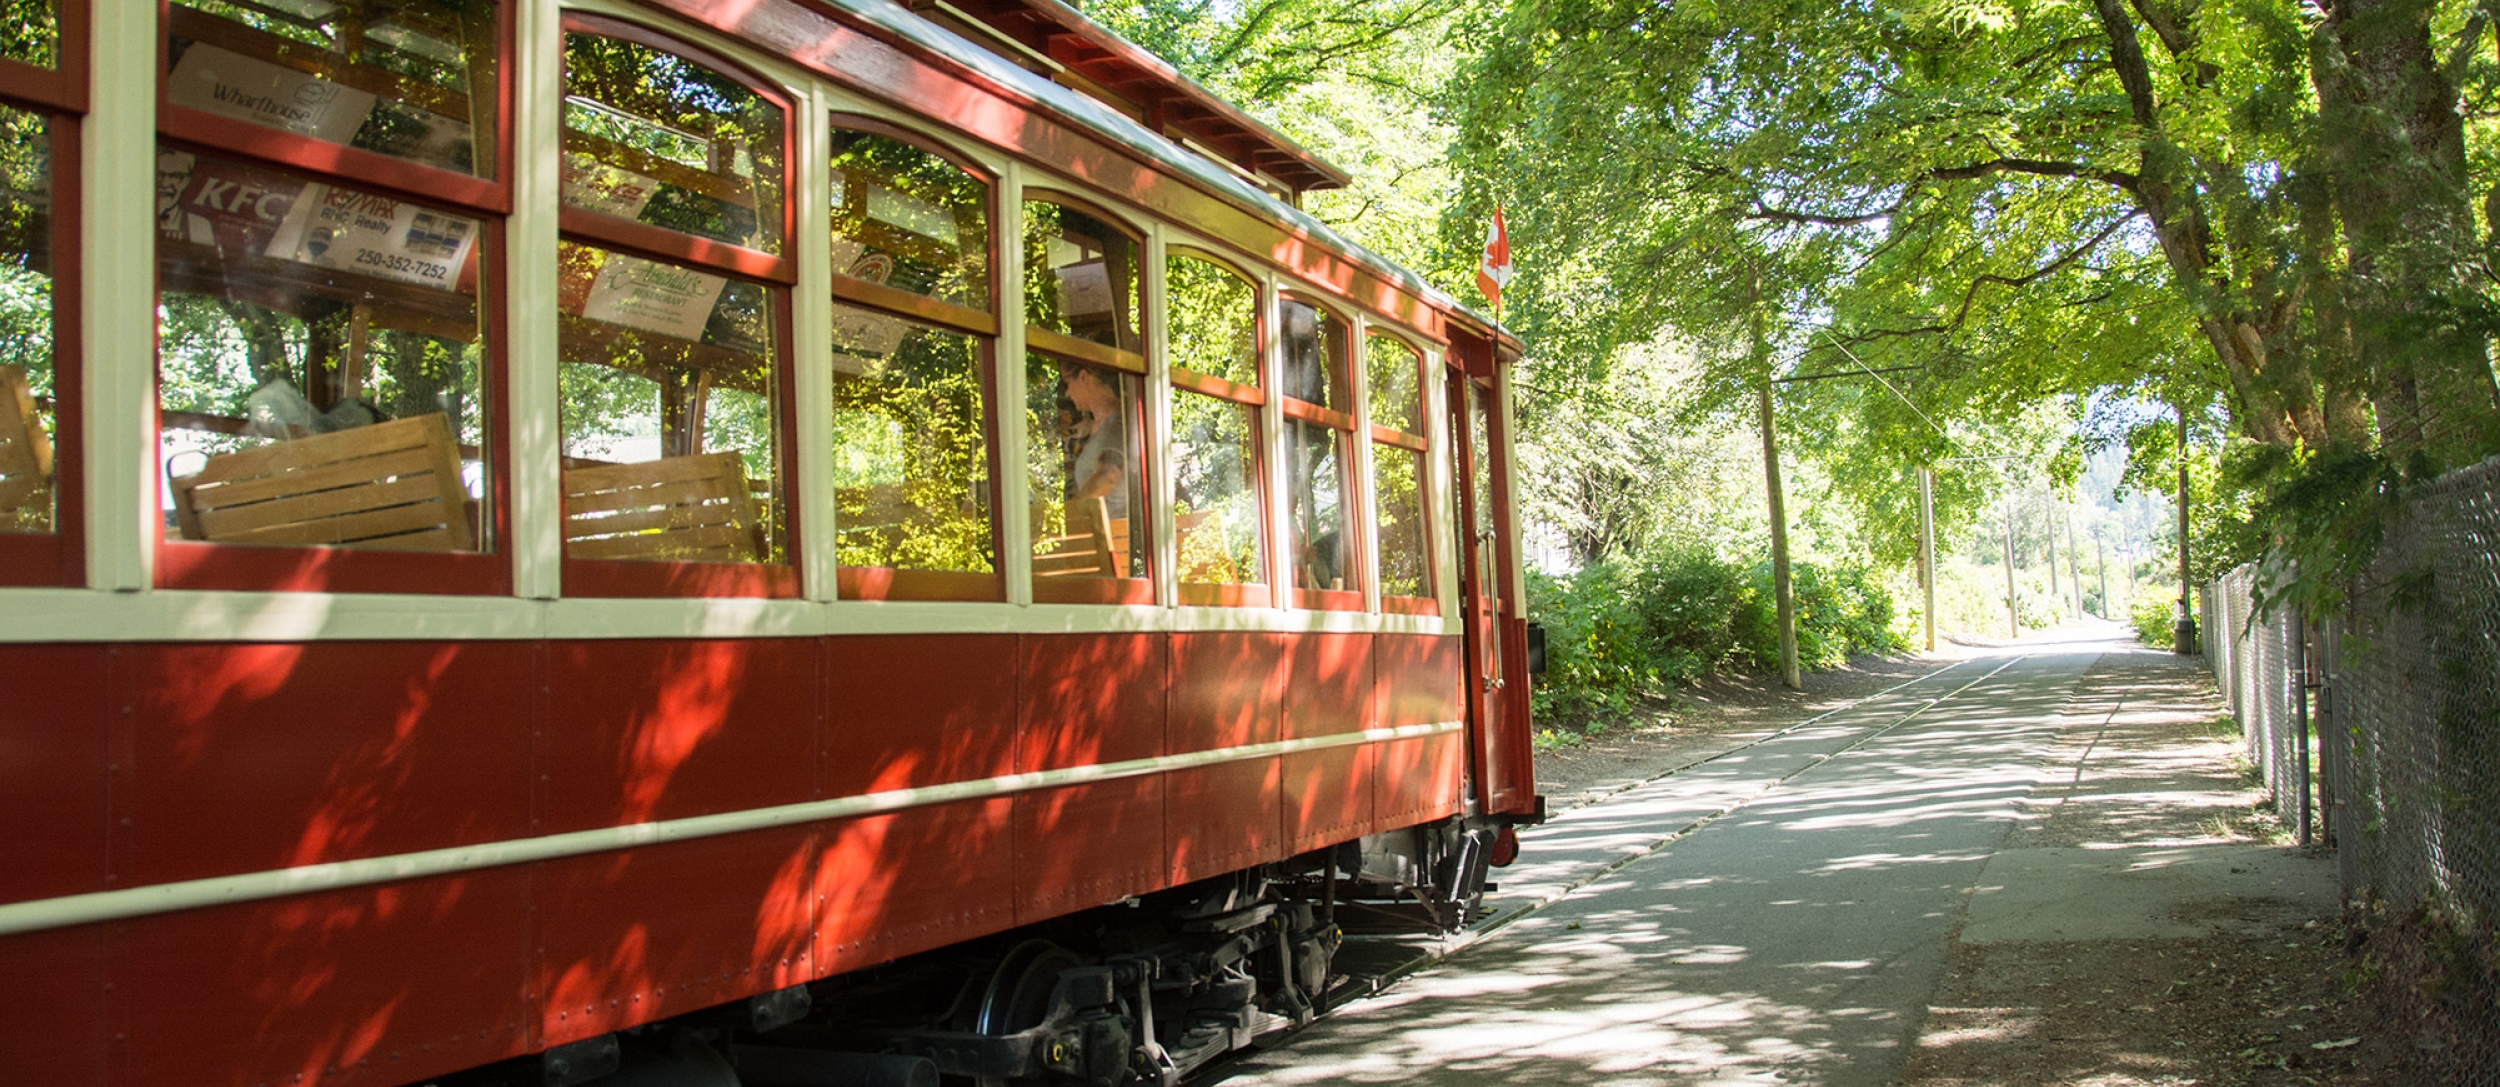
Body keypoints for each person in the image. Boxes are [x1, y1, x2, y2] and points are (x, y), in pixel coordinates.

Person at [1062, 364, 1131, 520]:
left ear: (1084, 377)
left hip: (1122, 538)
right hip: (1108, 537)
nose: (1067, 393)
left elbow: (1109, 474)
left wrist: (1070, 513)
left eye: (1068, 383)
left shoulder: (1116, 423)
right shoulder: (1100, 425)